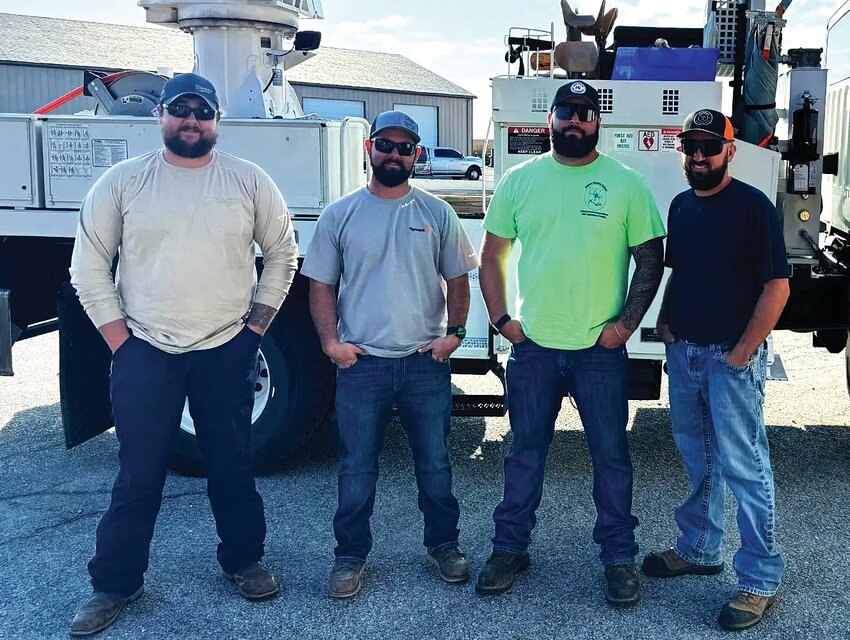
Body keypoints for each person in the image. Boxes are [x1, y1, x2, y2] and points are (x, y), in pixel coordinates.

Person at [68, 72, 298, 636]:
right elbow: (88, 267)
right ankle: (115, 583)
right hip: (145, 350)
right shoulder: (124, 182)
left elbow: (283, 254)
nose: (190, 120)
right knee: (138, 473)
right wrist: (122, 343)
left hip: (226, 348)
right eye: (180, 109)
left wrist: (253, 332)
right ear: (160, 116)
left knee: (231, 464)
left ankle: (245, 561)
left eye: (202, 111)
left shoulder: (249, 181)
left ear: (217, 121)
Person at [476, 80, 666, 606]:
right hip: (534, 346)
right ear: (551, 120)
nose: (575, 121)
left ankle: (619, 558)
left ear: (597, 123)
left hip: (599, 353)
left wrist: (625, 325)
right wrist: (501, 319)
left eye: (585, 113)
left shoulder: (625, 183)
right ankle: (509, 549)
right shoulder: (520, 180)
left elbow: (650, 260)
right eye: (566, 112)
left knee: (611, 456)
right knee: (523, 453)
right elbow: (492, 255)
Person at [302, 110, 478, 598]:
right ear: (370, 149)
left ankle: (444, 546)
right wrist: (330, 344)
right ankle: (350, 557)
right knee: (358, 467)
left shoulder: (436, 213)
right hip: (362, 366)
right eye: (386, 145)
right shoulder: (341, 214)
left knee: (436, 464)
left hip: (425, 362)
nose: (394, 154)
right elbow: (321, 285)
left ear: (416, 154)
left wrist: (455, 335)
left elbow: (459, 278)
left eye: (405, 148)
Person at [641, 108, 789, 631]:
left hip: (730, 357)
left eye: (710, 146)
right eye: (691, 147)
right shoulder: (682, 206)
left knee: (745, 467)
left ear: (731, 150)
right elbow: (681, 271)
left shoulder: (754, 209)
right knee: (700, 459)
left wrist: (744, 352)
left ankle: (759, 579)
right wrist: (665, 322)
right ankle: (700, 548)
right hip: (686, 354)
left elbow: (777, 288)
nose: (699, 155)